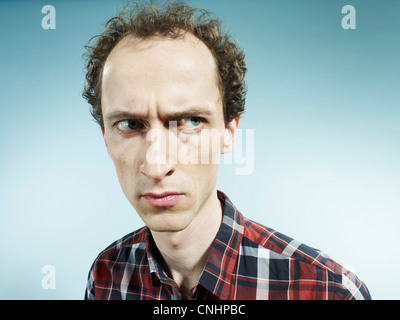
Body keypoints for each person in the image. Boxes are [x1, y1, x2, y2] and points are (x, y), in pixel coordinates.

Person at [82, 0, 371, 300]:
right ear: (105, 138)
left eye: (190, 121)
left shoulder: (329, 292)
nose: (156, 165)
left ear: (229, 133)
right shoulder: (106, 275)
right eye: (130, 124)